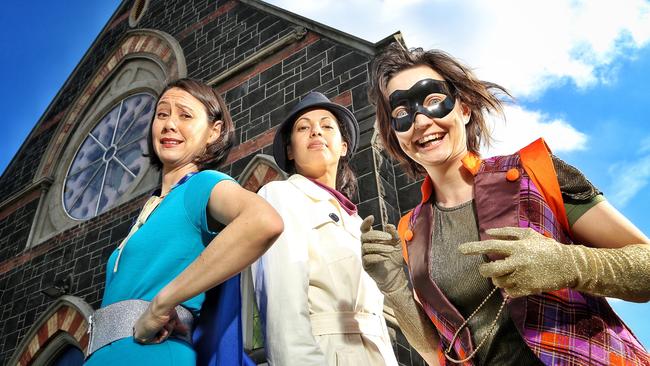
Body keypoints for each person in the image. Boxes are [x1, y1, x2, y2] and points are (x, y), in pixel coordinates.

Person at [362, 43, 650, 366]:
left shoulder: (536, 172)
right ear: (395, 135)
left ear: (464, 109)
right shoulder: (412, 232)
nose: (421, 121)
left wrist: (569, 263)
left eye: (432, 101)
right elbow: (438, 355)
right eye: (401, 113)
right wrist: (394, 286)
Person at [84, 78, 283, 366]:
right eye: (162, 114)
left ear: (214, 132)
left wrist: (163, 302)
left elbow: (263, 221)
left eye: (185, 115)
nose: (169, 124)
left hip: (153, 355)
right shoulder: (152, 208)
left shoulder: (200, 186)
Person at [251, 92, 398, 366]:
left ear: (343, 146)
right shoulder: (280, 195)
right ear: (290, 150)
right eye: (303, 127)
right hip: (324, 353)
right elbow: (282, 307)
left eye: (327, 125)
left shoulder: (354, 221)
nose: (316, 130)